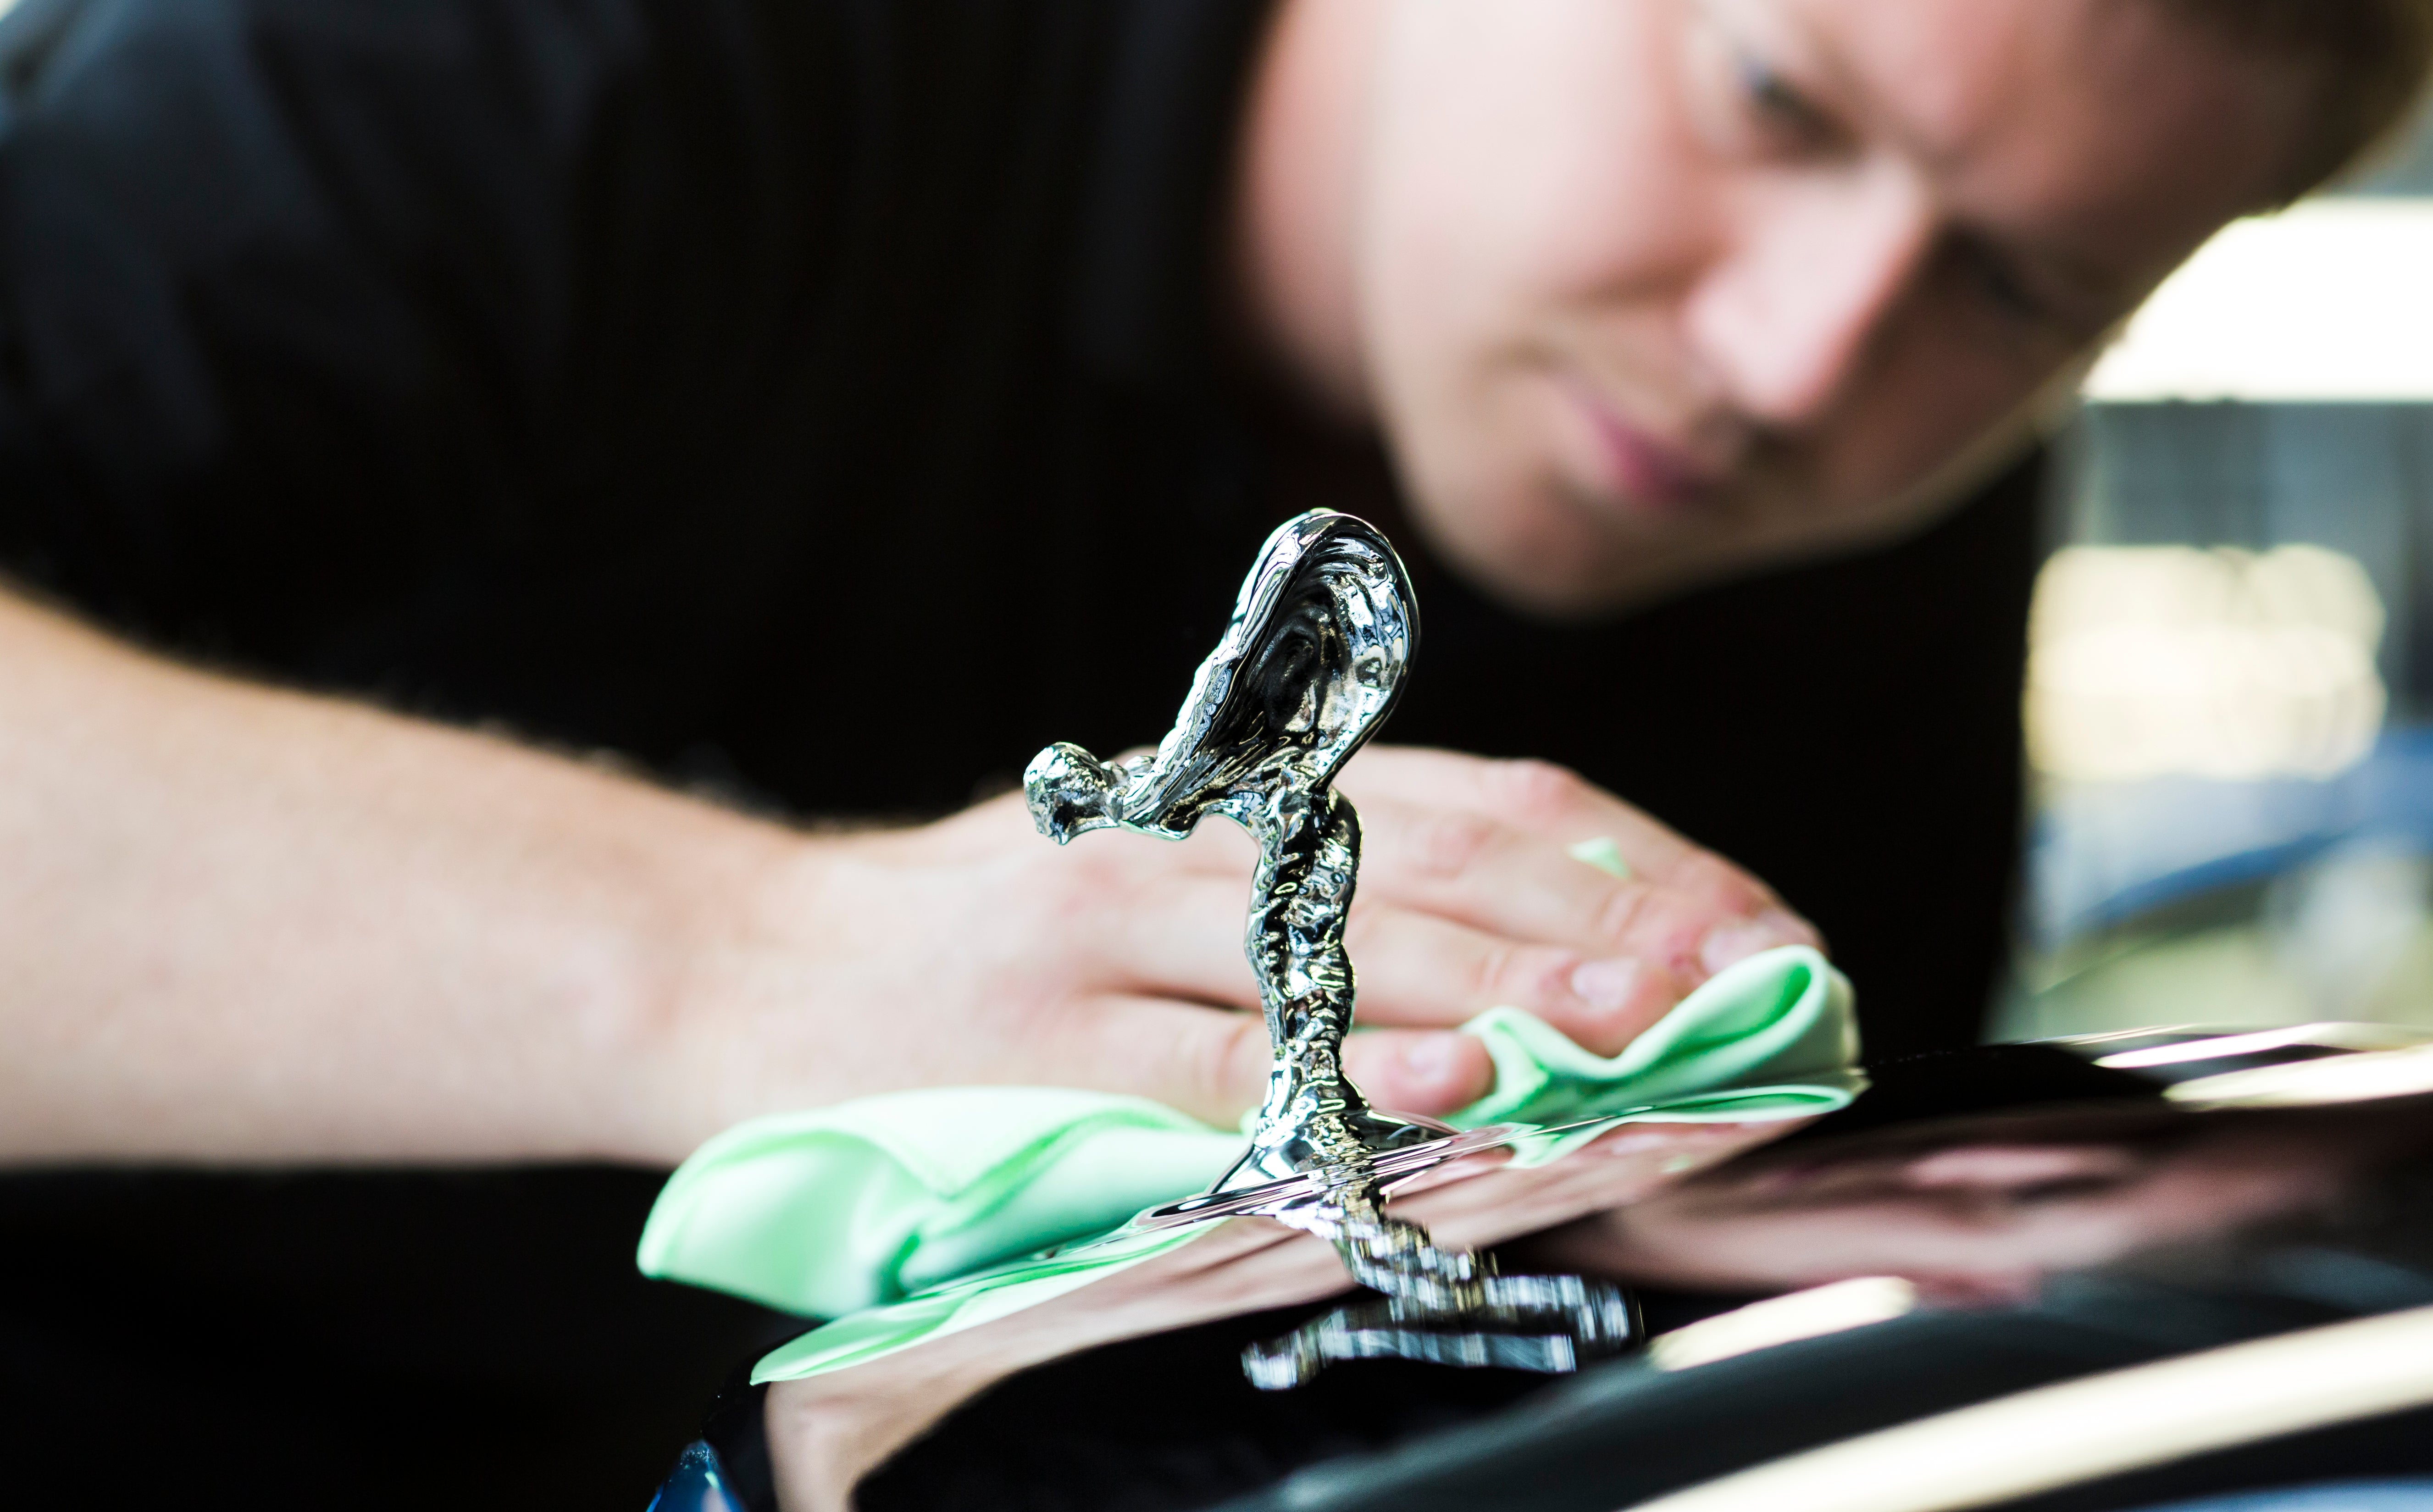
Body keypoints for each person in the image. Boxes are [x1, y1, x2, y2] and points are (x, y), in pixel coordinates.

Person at [0, 0, 2420, 1502]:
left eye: (2026, 286)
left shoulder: (1850, 498)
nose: (1802, 359)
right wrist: (747, 963)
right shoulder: (585, 58)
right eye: (1775, 91)